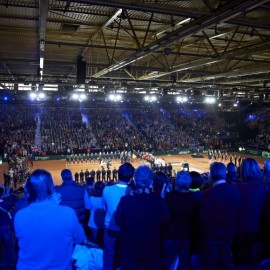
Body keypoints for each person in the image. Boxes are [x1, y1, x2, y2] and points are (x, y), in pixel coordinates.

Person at [14, 169, 85, 270]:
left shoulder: (19, 216)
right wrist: (53, 205)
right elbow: (80, 239)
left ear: (29, 190)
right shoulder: (68, 213)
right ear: (52, 188)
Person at [115, 165, 169, 270]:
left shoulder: (125, 200)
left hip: (130, 249)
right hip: (152, 248)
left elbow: (118, 221)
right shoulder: (158, 201)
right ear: (151, 182)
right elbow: (166, 220)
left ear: (135, 181)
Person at [199, 162, 242, 270]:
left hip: (212, 237)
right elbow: (239, 212)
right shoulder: (235, 190)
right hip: (229, 235)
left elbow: (202, 219)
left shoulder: (207, 194)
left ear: (211, 175)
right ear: (224, 174)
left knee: (210, 264)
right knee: (227, 262)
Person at [234, 158, 267, 267]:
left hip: (239, 230)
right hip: (258, 231)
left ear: (241, 170)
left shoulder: (235, 188)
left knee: (240, 259)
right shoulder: (264, 188)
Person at [102, 162, 135, 270]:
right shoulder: (132, 192)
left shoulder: (106, 190)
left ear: (118, 174)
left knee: (108, 254)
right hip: (126, 229)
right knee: (125, 254)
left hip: (110, 227)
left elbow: (104, 208)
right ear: (131, 177)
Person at [164, 171, 198, 270]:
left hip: (170, 237)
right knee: (184, 263)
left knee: (170, 264)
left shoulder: (169, 197)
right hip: (186, 237)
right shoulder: (194, 198)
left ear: (176, 183)